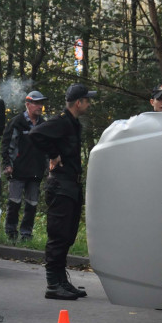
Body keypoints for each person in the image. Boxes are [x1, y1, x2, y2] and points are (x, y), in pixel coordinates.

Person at [29, 83, 97, 300]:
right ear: (79, 103)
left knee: (67, 235)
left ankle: (62, 281)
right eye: (87, 100)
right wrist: (53, 153)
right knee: (58, 236)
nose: (89, 103)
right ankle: (52, 284)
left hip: (71, 186)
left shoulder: (72, 123)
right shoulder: (60, 122)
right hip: (60, 186)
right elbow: (35, 134)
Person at [0, 90, 48, 240]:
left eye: (41, 103)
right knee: (14, 203)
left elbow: (48, 148)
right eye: (37, 103)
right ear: (28, 104)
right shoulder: (16, 122)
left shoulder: (44, 124)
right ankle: (11, 233)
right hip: (17, 170)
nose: (40, 106)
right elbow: (7, 145)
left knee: (32, 204)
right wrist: (7, 164)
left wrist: (47, 168)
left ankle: (26, 234)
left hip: (36, 172)